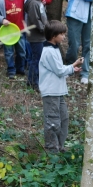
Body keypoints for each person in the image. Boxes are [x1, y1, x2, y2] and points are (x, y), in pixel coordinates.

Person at [39, 20, 83, 153]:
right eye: (62, 34)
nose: (64, 37)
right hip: (51, 92)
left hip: (58, 91)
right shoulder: (48, 52)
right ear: (54, 35)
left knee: (63, 118)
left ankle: (60, 146)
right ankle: (52, 151)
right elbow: (59, 70)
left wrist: (71, 69)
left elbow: (59, 69)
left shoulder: (55, 49)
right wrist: (74, 64)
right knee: (53, 121)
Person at [65, 0, 93, 84]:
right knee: (74, 43)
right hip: (76, 13)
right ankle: (69, 68)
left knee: (88, 44)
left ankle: (85, 71)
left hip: (90, 14)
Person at [0, 0, 26, 79]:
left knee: (22, 51)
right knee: (9, 52)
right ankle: (11, 69)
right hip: (8, 32)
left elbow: (31, 6)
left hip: (20, 31)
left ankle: (20, 67)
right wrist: (2, 20)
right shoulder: (1, 1)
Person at [24, 0, 48, 91]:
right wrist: (44, 29)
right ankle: (34, 82)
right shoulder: (33, 3)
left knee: (38, 58)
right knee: (36, 59)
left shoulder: (38, 1)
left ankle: (33, 80)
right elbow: (35, 19)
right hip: (36, 36)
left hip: (41, 35)